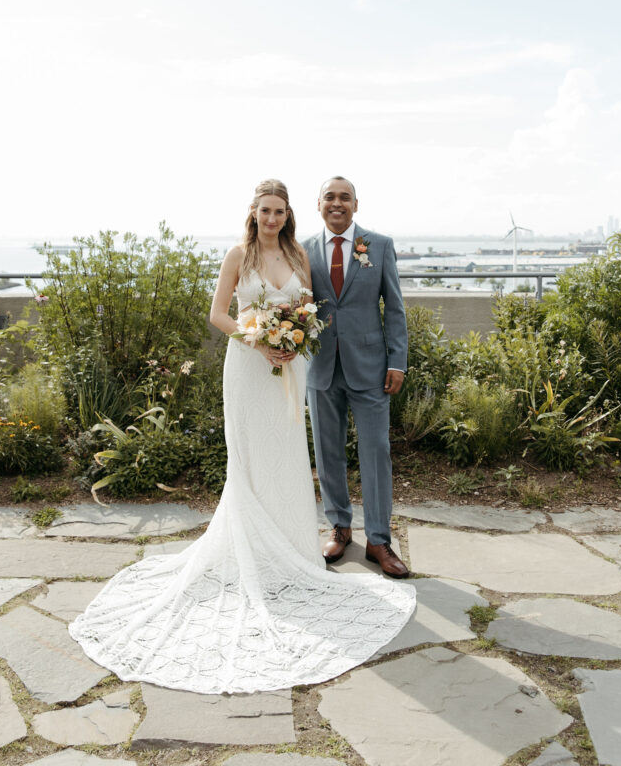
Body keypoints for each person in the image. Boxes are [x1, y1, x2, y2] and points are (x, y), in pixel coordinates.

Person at [69, 179, 415, 694]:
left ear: (295, 213)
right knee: (296, 455)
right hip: (267, 368)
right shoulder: (256, 252)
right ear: (256, 213)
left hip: (311, 367)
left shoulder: (324, 252)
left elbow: (355, 308)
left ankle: (377, 542)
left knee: (344, 452)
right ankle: (333, 533)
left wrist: (381, 357)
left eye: (279, 210)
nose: (272, 217)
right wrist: (262, 340)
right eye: (265, 210)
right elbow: (222, 313)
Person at [305, 176, 410, 578]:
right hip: (322, 367)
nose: (337, 203)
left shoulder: (379, 245)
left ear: (356, 204)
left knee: (376, 452)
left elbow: (395, 308)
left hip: (370, 368)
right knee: (328, 453)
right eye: (329, 197)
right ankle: (340, 527)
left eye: (344, 197)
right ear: (318, 205)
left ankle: (379, 541)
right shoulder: (302, 250)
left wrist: (397, 362)